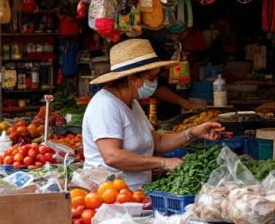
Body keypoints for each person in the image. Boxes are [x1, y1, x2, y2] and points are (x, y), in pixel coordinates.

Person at [83, 39, 223, 190]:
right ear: (132, 78)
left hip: (136, 195)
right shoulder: (105, 105)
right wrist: (163, 163)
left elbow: (158, 142)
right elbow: (112, 156)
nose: (155, 83)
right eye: (151, 78)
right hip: (109, 197)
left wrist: (193, 133)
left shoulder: (133, 103)